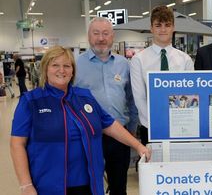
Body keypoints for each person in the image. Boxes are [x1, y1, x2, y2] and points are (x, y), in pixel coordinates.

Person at [10, 46, 150, 195]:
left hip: (88, 184)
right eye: (55, 65)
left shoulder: (84, 97)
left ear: (73, 71)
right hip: (48, 185)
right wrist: (26, 185)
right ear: (45, 69)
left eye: (66, 66)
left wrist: (138, 146)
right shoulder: (31, 101)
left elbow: (109, 124)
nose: (61, 70)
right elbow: (17, 144)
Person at [74, 17, 138, 195]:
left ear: (112, 36)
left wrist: (131, 129)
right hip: (87, 135)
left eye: (105, 33)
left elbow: (132, 100)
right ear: (88, 36)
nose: (101, 38)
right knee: (88, 185)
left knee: (119, 186)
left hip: (119, 135)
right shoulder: (76, 65)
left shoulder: (124, 64)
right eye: (96, 33)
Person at [130, 5, 194, 145]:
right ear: (151, 28)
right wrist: (156, 122)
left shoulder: (185, 60)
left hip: (180, 124)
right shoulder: (138, 60)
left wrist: (179, 119)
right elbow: (139, 98)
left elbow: (189, 95)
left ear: (173, 28)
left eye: (167, 25)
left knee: (180, 166)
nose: (163, 30)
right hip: (151, 127)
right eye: (158, 25)